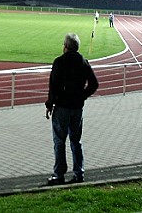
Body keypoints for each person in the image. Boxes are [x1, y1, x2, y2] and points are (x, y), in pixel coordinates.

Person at [45, 33, 99, 186]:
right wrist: (82, 95)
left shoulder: (59, 62)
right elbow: (94, 84)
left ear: (66, 46)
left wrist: (49, 104)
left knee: (59, 141)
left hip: (62, 107)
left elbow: (53, 87)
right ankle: (79, 173)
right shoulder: (83, 62)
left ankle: (59, 175)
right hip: (77, 108)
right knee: (76, 141)